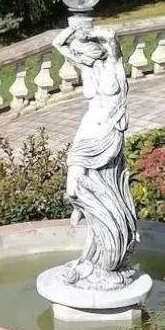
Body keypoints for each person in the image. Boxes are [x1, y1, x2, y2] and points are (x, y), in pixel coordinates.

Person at [52, 16, 138, 289]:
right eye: (79, 55)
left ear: (95, 51)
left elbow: (111, 36)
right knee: (73, 185)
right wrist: (74, 30)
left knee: (102, 183)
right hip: (88, 129)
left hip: (109, 132)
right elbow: (57, 44)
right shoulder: (84, 67)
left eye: (84, 53)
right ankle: (82, 208)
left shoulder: (114, 65)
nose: (81, 58)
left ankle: (108, 249)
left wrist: (89, 34)